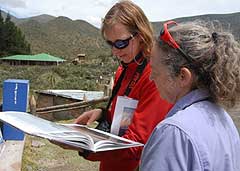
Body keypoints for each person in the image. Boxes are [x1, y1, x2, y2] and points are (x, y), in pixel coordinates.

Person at [53, 1, 172, 171]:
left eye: (121, 43)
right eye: (110, 43)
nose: (115, 51)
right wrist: (103, 114)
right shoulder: (123, 69)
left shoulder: (155, 76)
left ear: (140, 35)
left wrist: (84, 147)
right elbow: (123, 119)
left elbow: (136, 145)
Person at [140, 20, 240, 171]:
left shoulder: (174, 133)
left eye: (155, 70)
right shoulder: (224, 119)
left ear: (183, 77)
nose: (151, 77)